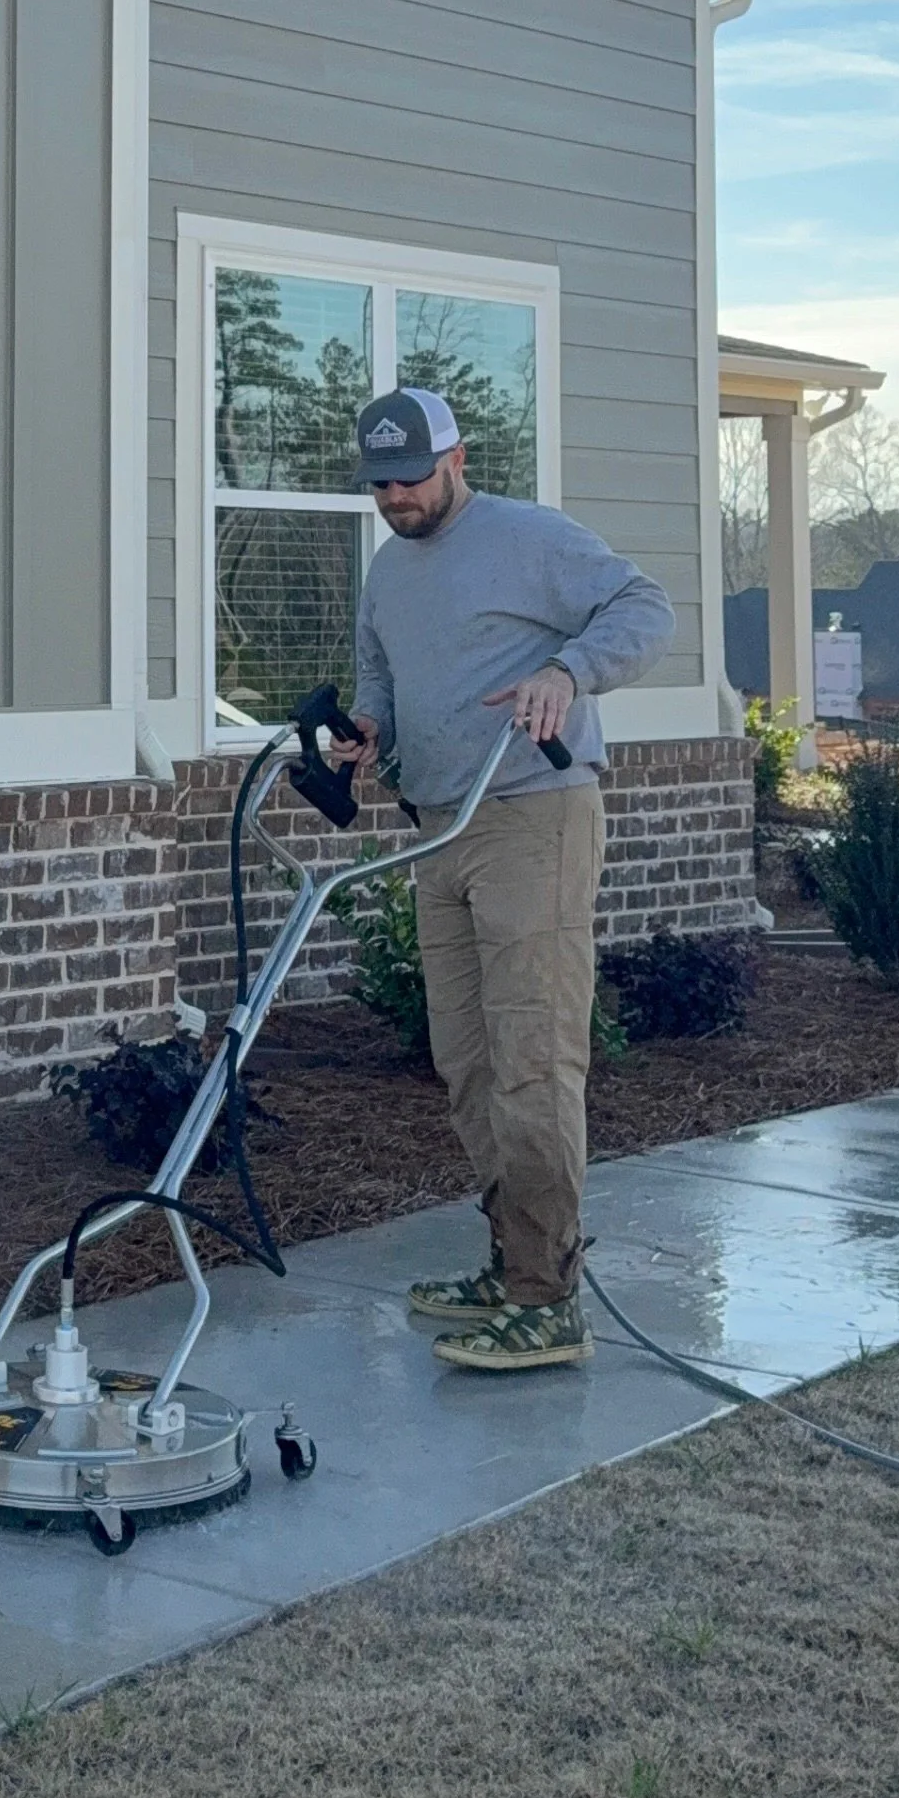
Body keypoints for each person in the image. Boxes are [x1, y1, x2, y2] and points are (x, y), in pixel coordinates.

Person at [332, 386, 675, 1372]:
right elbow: (383, 693)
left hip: (532, 810)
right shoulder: (389, 573)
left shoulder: (529, 538)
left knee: (532, 1057)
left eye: (409, 478)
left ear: (455, 457)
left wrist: (569, 672)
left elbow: (644, 605)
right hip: (438, 825)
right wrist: (366, 734)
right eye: (379, 486)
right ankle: (510, 1258)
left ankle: (549, 1296)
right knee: (470, 1060)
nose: (394, 499)